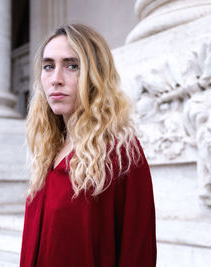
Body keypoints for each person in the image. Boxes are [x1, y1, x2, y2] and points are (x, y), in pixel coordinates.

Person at [20, 23, 156, 267]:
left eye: (72, 66)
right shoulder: (47, 153)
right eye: (48, 66)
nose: (56, 80)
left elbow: (138, 251)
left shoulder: (120, 153)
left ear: (95, 75)